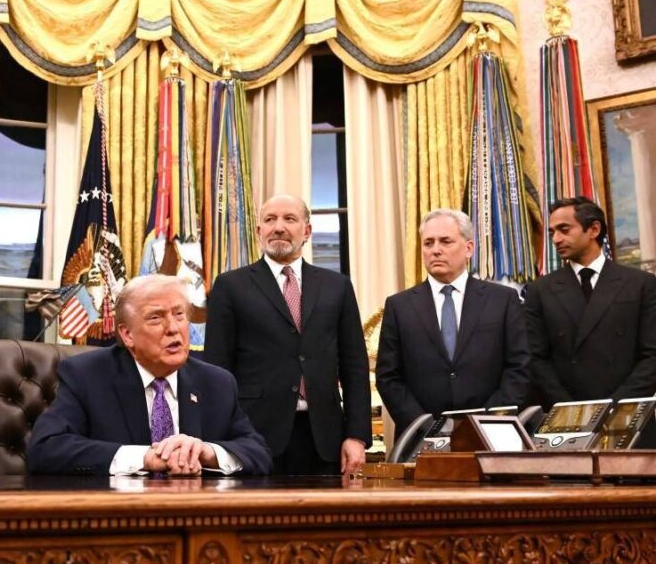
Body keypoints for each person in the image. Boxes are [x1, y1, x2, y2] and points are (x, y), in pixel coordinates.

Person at [27, 274, 272, 476]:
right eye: (156, 318)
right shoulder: (86, 375)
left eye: (179, 315)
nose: (173, 329)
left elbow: (258, 453)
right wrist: (144, 458)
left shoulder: (216, 382)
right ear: (127, 335)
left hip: (195, 511)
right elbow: (45, 449)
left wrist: (207, 452)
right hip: (118, 513)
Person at [203, 194, 370, 476]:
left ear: (307, 231)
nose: (278, 227)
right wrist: (220, 438)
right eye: (270, 220)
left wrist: (356, 435)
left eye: (289, 219)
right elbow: (217, 369)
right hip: (253, 438)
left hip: (325, 439)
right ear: (259, 231)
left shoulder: (337, 287)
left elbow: (355, 367)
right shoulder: (230, 286)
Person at [375, 209, 530, 433]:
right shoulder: (399, 306)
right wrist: (425, 426)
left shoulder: (503, 300)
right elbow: (388, 376)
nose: (435, 250)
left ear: (469, 248)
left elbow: (519, 366)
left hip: (491, 433)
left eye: (445, 241)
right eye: (428, 243)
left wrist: (487, 423)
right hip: (422, 436)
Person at [525, 196, 656, 407]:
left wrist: (615, 407)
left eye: (564, 229)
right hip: (567, 414)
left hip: (628, 413)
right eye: (552, 233)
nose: (556, 239)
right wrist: (570, 409)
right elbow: (535, 359)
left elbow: (652, 356)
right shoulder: (539, 290)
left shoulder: (641, 284)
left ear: (594, 229)